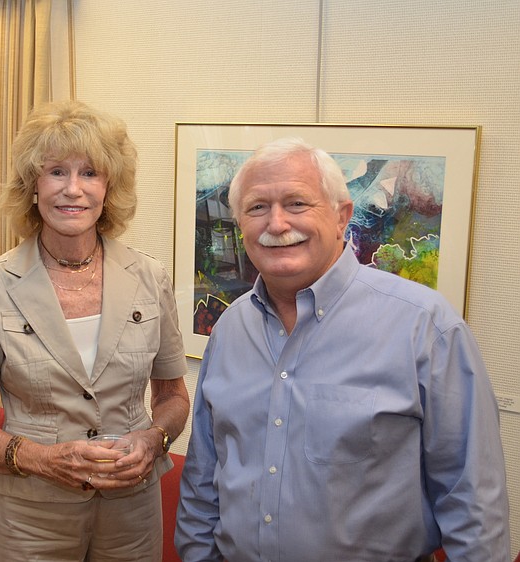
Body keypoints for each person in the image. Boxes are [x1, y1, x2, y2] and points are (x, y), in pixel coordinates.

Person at [176, 137, 511, 562]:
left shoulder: (425, 328)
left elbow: (473, 502)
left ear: (341, 217)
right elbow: (205, 476)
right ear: (240, 225)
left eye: (297, 203)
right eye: (258, 207)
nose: (276, 224)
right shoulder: (230, 328)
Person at [0, 99, 190, 561]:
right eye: (57, 171)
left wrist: (153, 440)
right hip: (29, 520)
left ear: (108, 187)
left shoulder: (149, 277)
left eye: (89, 173)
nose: (73, 190)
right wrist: (42, 459)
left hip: (131, 513)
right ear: (32, 187)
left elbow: (174, 397)